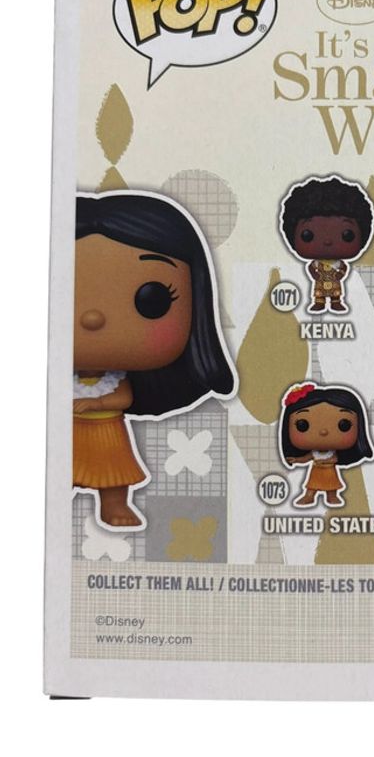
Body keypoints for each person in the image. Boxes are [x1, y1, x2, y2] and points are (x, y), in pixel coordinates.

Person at [73, 191, 235, 530]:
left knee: (112, 473)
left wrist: (96, 403)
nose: (92, 318)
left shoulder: (115, 378)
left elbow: (123, 398)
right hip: (67, 432)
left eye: (152, 299)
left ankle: (114, 505)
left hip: (106, 431)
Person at [279, 175, 374, 313]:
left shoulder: (338, 264)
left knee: (336, 293)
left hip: (334, 282)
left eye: (346, 235)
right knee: (319, 293)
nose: (328, 241)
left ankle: (336, 303)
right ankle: (319, 303)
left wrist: (340, 275)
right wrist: (315, 275)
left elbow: (343, 269)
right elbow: (311, 268)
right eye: (308, 235)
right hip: (320, 282)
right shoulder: (317, 264)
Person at [279, 382, 374, 508]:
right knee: (312, 486)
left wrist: (329, 460)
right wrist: (297, 460)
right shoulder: (314, 453)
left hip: (329, 472)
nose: (323, 432)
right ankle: (309, 496)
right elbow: (306, 458)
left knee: (331, 486)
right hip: (316, 472)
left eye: (344, 425)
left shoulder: (332, 453)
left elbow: (335, 459)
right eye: (302, 425)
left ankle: (332, 496)